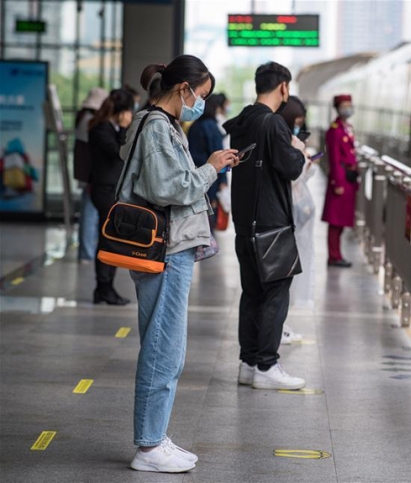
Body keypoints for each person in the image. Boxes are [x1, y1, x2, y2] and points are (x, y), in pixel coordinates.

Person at [118, 56, 238, 473]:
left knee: (167, 345)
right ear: (183, 89)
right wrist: (211, 168)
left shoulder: (162, 123)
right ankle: (149, 447)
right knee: (163, 348)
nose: (200, 103)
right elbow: (169, 187)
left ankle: (155, 436)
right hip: (165, 249)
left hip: (170, 247)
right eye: (200, 95)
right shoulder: (155, 127)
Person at [223, 62, 306, 390]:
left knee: (253, 293)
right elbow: (290, 168)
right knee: (275, 293)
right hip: (271, 222)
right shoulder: (273, 123)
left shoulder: (242, 121)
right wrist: (298, 151)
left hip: (245, 222)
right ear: (283, 87)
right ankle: (267, 365)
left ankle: (248, 363)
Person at [89, 89, 135, 305]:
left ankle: (105, 288)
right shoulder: (101, 129)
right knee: (108, 238)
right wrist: (124, 129)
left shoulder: (108, 127)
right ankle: (104, 287)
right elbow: (118, 152)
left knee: (110, 238)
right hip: (104, 190)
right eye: (128, 112)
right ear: (120, 111)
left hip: (110, 189)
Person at [279, 96, 315, 343]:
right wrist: (301, 158)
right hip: (285, 217)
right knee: (281, 279)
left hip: (294, 217)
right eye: (297, 121)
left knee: (288, 278)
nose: (298, 127)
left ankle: (280, 326)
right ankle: (276, 331)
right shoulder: (283, 142)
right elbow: (291, 176)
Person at [322, 94, 358, 268]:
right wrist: (337, 183)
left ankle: (337, 254)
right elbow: (334, 158)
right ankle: (334, 256)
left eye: (349, 105)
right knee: (335, 222)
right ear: (337, 108)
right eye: (344, 105)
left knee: (341, 220)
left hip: (349, 180)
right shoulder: (334, 130)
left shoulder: (347, 128)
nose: (348, 108)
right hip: (341, 181)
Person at [73, 87, 107, 263]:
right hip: (90, 174)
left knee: (89, 213)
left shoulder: (83, 118)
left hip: (86, 174)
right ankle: (86, 253)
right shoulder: (89, 121)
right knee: (89, 214)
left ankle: (86, 251)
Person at [187, 93, 226, 228]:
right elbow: (219, 156)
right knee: (209, 215)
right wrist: (222, 180)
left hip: (194, 175)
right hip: (210, 176)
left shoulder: (194, 126)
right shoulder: (211, 127)